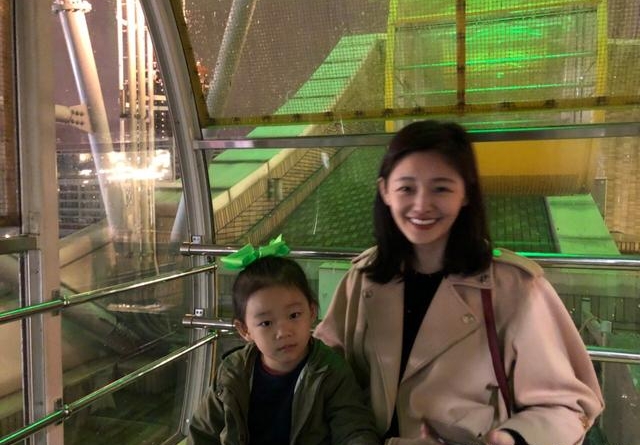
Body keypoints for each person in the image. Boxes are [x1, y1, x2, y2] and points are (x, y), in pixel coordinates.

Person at [314, 120, 604, 445]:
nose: (421, 205)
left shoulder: (514, 287)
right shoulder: (364, 277)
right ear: (385, 191)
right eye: (406, 188)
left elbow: (567, 406)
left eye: (441, 188)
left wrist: (512, 438)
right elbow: (322, 369)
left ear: (466, 193)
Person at [188, 244, 380, 445]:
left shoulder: (331, 371)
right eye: (266, 323)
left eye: (294, 315)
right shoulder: (232, 372)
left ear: (312, 312)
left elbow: (354, 430)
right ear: (244, 330)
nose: (284, 332)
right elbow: (202, 432)